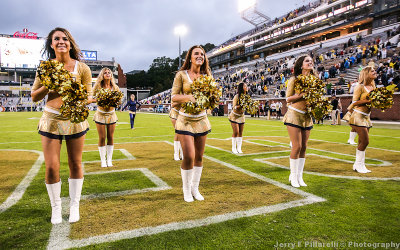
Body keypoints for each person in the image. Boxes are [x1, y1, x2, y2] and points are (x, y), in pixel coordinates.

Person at [31, 27, 93, 224]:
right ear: (51, 44)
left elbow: (89, 95)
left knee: (75, 163)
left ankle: (74, 205)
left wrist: (79, 98)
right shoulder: (45, 67)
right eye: (56, 39)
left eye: (65, 39)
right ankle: (56, 207)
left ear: (70, 43)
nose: (61, 42)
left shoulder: (82, 68)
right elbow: (34, 97)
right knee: (51, 167)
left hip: (74, 121)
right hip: (51, 120)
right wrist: (50, 84)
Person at [171, 45, 212, 202]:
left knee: (199, 157)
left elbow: (210, 98)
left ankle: (195, 188)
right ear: (190, 57)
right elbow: (174, 97)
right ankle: (186, 190)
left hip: (201, 120)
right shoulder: (181, 75)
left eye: (202, 54)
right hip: (185, 120)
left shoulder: (207, 75)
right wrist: (189, 98)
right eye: (196, 53)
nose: (200, 56)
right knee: (189, 156)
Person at [282, 55, 315, 187]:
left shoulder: (315, 79)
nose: (310, 62)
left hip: (307, 116)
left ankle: (300, 176)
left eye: (311, 61)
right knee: (297, 146)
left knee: (304, 147)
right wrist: (302, 95)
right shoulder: (294, 79)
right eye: (307, 61)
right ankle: (293, 176)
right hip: (294, 115)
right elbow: (288, 99)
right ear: (301, 65)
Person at [347, 66, 377, 173]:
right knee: (365, 141)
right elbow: (354, 102)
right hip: (358, 115)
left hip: (367, 116)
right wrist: (369, 101)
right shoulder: (359, 86)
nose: (375, 72)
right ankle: (358, 164)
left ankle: (359, 165)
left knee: (361, 141)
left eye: (374, 70)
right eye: (372, 71)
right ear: (366, 73)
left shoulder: (373, 86)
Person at [92, 68, 121, 168]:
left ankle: (109, 160)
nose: (108, 74)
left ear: (111, 75)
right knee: (102, 137)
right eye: (105, 73)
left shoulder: (115, 87)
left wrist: (116, 101)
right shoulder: (98, 86)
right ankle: (103, 160)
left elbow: (119, 101)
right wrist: (99, 100)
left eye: (109, 73)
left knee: (110, 137)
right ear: (102, 75)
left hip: (111, 114)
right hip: (100, 114)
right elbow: (91, 98)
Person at [228, 82, 248, 154]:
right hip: (234, 116)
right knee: (236, 132)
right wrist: (241, 105)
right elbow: (234, 107)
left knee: (240, 132)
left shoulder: (246, 97)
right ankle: (234, 148)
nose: (246, 87)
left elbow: (247, 107)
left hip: (241, 116)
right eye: (245, 86)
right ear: (241, 88)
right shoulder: (236, 96)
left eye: (246, 86)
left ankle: (239, 148)